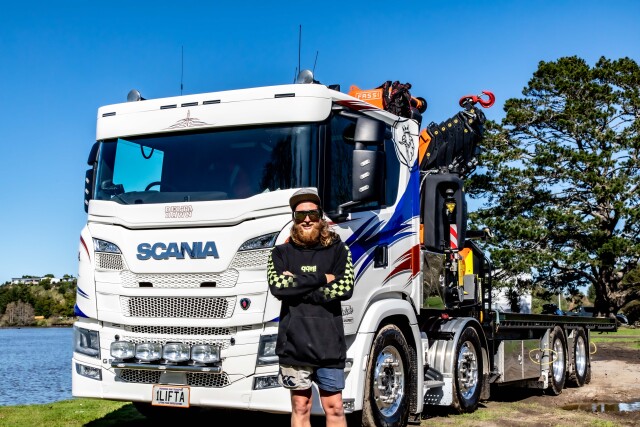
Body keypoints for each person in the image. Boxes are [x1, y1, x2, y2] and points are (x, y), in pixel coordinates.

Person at [268, 187, 355, 427]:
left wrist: (298, 285)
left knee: (335, 408)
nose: (307, 219)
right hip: (294, 345)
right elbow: (278, 286)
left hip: (330, 345)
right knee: (301, 406)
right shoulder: (280, 252)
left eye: (312, 214)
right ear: (294, 219)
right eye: (300, 215)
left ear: (321, 217)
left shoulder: (339, 250)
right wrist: (323, 278)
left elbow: (346, 287)